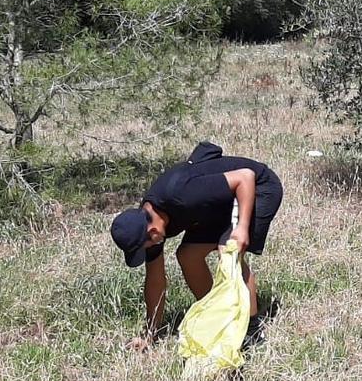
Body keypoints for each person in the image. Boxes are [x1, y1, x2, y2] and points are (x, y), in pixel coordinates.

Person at [110, 141, 283, 350]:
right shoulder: (147, 224)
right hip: (219, 204)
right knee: (188, 255)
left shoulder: (180, 195)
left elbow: (245, 177)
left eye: (143, 247)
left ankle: (252, 333)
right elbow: (155, 281)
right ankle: (218, 313)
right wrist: (149, 334)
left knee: (229, 249)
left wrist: (242, 227)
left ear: (152, 233)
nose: (147, 250)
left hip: (257, 187)